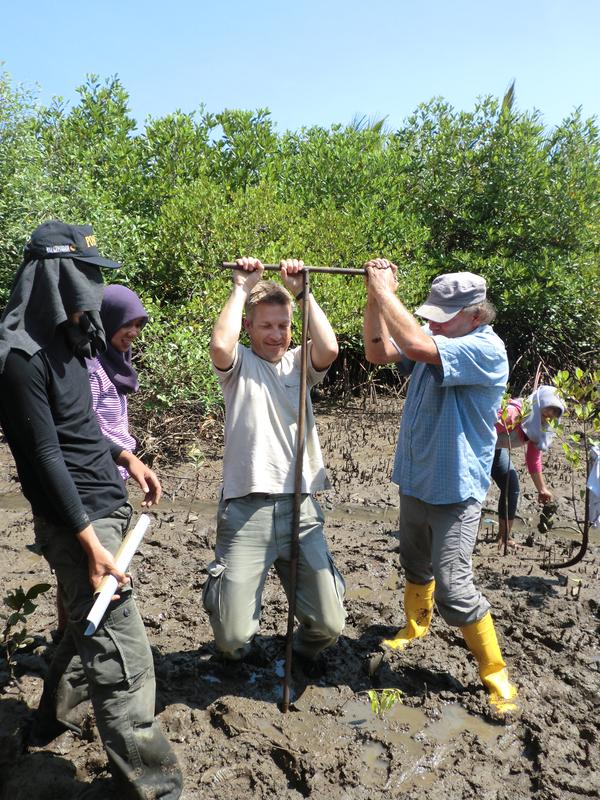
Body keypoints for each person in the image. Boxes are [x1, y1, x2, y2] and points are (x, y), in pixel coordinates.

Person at [0, 220, 182, 799]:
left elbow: (79, 429)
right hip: (78, 518)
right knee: (124, 661)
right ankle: (156, 788)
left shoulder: (71, 342)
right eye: (85, 277)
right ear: (55, 277)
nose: (93, 292)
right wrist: (90, 543)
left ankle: (44, 724)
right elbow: (44, 453)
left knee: (88, 629)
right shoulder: (19, 357)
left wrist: (126, 457)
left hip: (107, 500)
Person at [363, 261, 518, 717]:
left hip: (456, 489)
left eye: (442, 315)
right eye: (429, 313)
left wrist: (384, 289)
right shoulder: (443, 337)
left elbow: (412, 341)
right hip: (416, 478)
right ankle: (415, 627)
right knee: (413, 561)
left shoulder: (484, 349)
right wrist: (375, 299)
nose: (432, 321)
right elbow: (378, 352)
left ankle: (496, 675)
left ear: (475, 314)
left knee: (455, 586)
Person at [204, 256, 346, 669]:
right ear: (249, 327)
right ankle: (239, 653)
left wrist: (302, 292)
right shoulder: (239, 366)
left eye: (283, 326)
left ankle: (297, 651)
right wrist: (241, 287)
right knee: (232, 638)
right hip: (246, 508)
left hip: (300, 506)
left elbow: (330, 348)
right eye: (266, 325)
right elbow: (219, 346)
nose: (276, 334)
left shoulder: (299, 362)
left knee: (329, 625)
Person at [87, 284, 149, 480]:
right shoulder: (93, 370)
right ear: (107, 321)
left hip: (114, 474)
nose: (134, 332)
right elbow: (83, 429)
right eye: (127, 324)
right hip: (96, 476)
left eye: (138, 325)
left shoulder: (114, 366)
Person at [492, 385, 564, 548]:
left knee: (511, 485)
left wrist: (542, 489)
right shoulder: (513, 414)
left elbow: (533, 459)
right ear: (538, 405)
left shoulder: (536, 428)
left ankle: (505, 537)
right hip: (476, 448)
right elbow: (481, 426)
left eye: (550, 418)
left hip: (495, 450)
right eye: (545, 414)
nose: (546, 420)